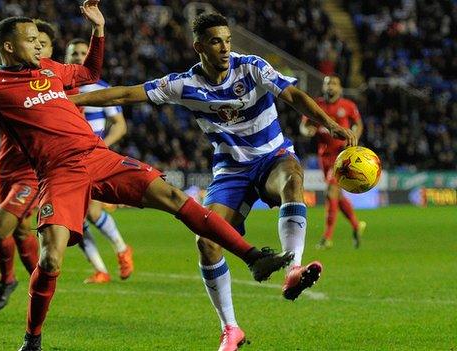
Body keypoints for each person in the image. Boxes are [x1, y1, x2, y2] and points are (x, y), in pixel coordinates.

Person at [0, 10, 293, 351]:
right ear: (8, 45)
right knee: (54, 258)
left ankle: (253, 256)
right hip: (59, 175)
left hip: (99, 158)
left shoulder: (52, 71)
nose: (40, 47)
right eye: (30, 41)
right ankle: (33, 337)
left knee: (174, 196)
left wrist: (98, 31)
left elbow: (91, 75)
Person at [69, 13, 357, 350]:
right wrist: (67, 100)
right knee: (206, 242)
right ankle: (231, 329)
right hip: (231, 171)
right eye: (216, 41)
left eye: (227, 40)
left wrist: (327, 124)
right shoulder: (184, 85)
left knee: (293, 178)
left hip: (272, 157)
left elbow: (292, 95)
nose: (224, 48)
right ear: (199, 46)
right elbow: (123, 95)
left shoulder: (251, 67)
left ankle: (293, 268)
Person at [0, 17, 104, 313]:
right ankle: (35, 282)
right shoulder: (11, 80)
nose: (36, 47)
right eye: (32, 42)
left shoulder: (60, 81)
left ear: (51, 49)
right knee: (19, 230)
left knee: (0, 226)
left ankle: (11, 280)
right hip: (6, 166)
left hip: (37, 170)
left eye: (41, 44)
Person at [64, 38, 133, 284]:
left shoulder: (100, 87)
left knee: (92, 212)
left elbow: (120, 125)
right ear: (66, 57)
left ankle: (121, 249)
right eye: (74, 53)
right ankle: (100, 269)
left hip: (90, 158)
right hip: (63, 160)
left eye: (84, 53)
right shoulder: (58, 89)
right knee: (74, 220)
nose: (79, 57)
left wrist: (102, 145)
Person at [299, 75, 366, 249]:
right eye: (328, 84)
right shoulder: (317, 105)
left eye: (334, 84)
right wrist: (307, 131)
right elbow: (304, 125)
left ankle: (327, 237)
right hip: (324, 157)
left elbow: (358, 124)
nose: (331, 87)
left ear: (340, 88)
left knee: (330, 192)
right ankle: (356, 225)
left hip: (341, 155)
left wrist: (354, 138)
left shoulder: (348, 106)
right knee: (337, 195)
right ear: (323, 87)